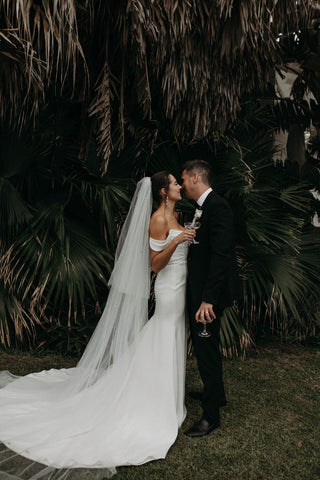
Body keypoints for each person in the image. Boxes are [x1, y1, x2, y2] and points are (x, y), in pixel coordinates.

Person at [0, 172, 195, 480]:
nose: (179, 186)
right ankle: (151, 402)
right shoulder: (158, 219)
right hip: (169, 291)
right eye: (173, 183)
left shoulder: (175, 215)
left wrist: (186, 236)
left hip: (181, 288)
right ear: (162, 192)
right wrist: (178, 240)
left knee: (166, 339)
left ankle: (163, 394)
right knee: (163, 334)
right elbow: (154, 264)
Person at [181, 159, 242, 438]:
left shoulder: (217, 207)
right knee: (208, 345)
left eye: (183, 180)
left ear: (195, 177)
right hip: (202, 291)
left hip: (209, 296)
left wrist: (208, 299)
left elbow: (222, 256)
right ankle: (215, 395)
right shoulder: (202, 208)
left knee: (205, 348)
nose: (182, 185)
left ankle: (210, 416)